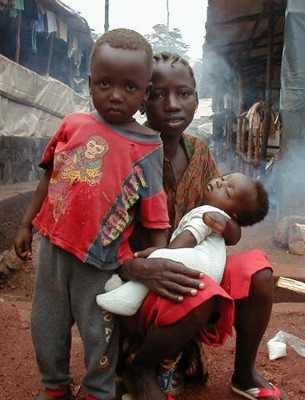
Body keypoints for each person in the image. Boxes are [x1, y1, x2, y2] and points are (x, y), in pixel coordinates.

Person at [13, 29, 176, 400]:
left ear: (145, 92)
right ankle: (54, 387)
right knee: (46, 325)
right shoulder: (73, 124)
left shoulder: (148, 146)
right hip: (53, 249)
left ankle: (98, 392)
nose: (116, 95)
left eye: (130, 87)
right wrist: (26, 225)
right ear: (89, 83)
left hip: (100, 261)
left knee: (99, 332)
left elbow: (155, 210)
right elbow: (49, 177)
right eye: (105, 83)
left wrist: (159, 253)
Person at [117, 52, 288, 400]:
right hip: (140, 275)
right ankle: (141, 369)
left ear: (197, 98)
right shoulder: (125, 153)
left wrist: (228, 229)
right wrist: (135, 266)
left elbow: (225, 218)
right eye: (157, 94)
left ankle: (244, 374)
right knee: (203, 292)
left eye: (184, 93)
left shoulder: (198, 149)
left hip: (190, 267)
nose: (172, 104)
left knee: (259, 273)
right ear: (142, 100)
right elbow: (102, 231)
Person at [96, 172, 269, 317]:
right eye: (223, 178)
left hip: (199, 265)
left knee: (157, 259)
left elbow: (190, 237)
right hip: (208, 271)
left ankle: (127, 298)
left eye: (227, 192)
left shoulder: (207, 214)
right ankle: (127, 293)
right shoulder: (214, 215)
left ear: (234, 214)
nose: (218, 183)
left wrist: (166, 252)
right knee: (155, 264)